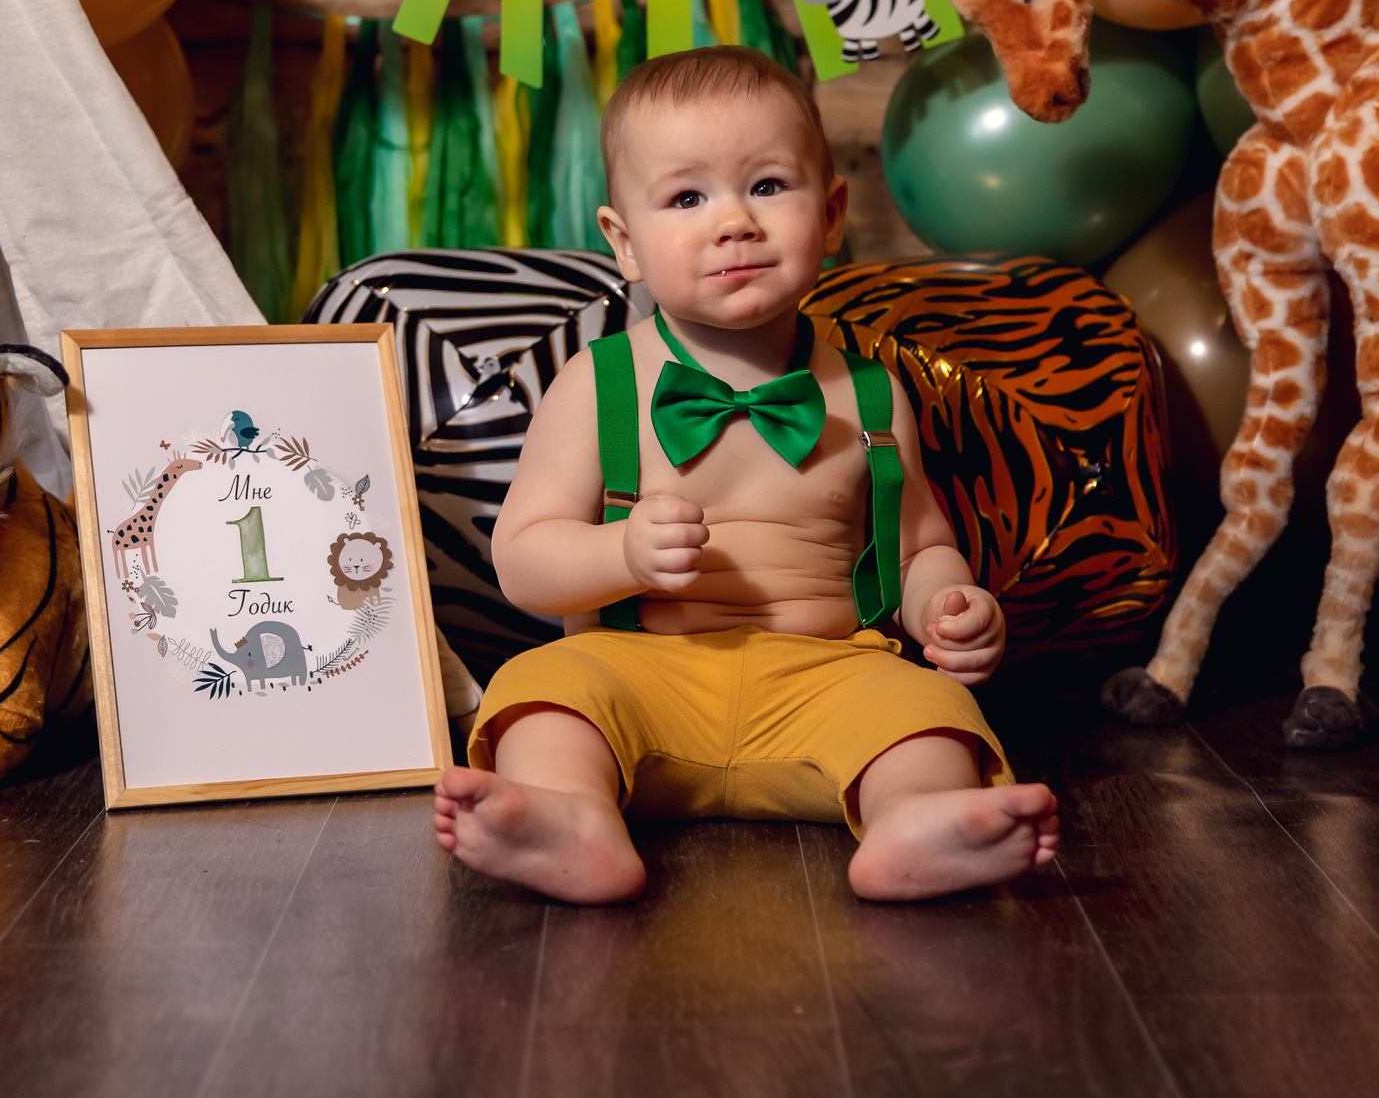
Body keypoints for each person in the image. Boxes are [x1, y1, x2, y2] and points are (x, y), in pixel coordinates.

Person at [433, 45, 1059, 902]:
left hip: (827, 672)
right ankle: (572, 815)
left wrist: (948, 605)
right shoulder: (600, 380)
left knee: (930, 713)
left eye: (767, 185)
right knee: (540, 687)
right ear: (625, 242)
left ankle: (915, 818)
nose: (734, 221)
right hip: (640, 671)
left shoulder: (866, 388)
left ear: (832, 214)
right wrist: (623, 554)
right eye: (687, 197)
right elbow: (523, 558)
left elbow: (918, 544)